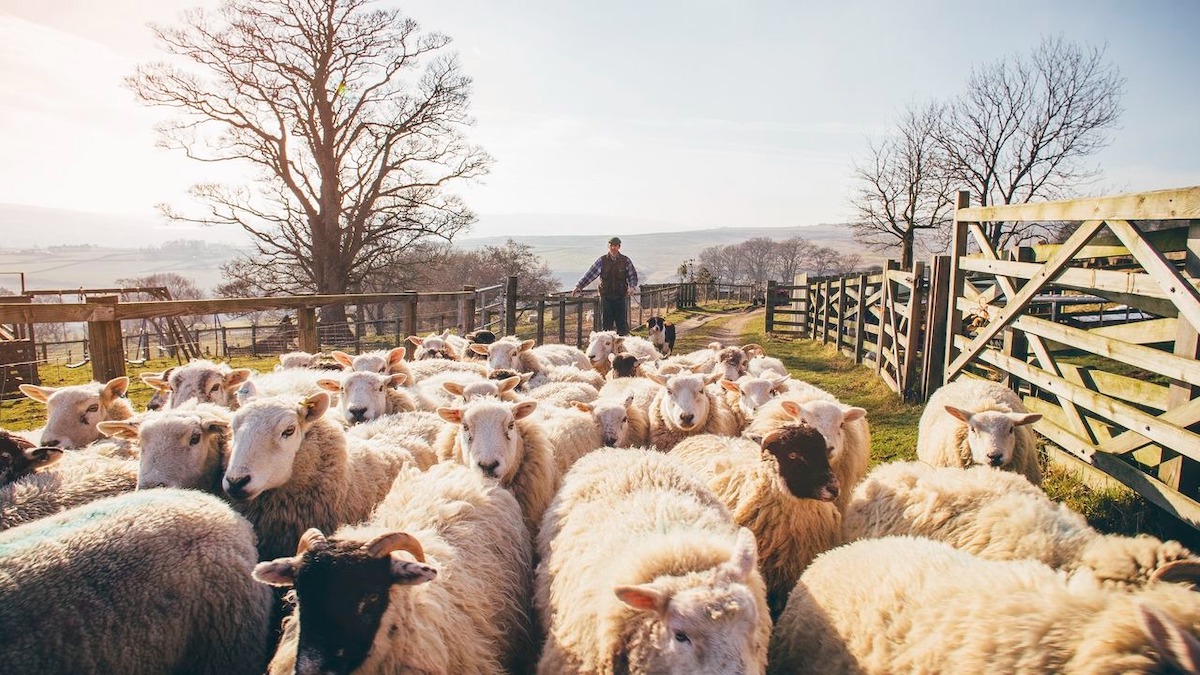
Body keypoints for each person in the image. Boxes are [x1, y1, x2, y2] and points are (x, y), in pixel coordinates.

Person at [572, 236, 639, 335]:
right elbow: (590, 274)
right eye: (611, 245)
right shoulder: (602, 260)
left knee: (622, 324)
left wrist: (632, 287)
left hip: (620, 297)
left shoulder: (625, 260)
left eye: (615, 246)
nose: (613, 248)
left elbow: (632, 275)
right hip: (606, 297)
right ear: (608, 246)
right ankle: (607, 348)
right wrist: (579, 286)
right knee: (607, 324)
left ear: (619, 247)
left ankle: (623, 346)